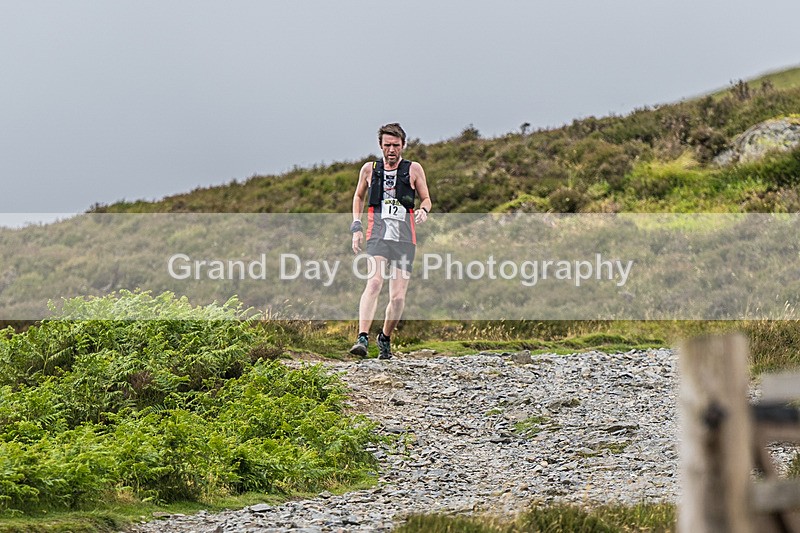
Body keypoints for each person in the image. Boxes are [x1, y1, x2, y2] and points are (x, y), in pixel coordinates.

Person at [349, 123, 431, 359]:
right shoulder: (369, 169)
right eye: (387, 145)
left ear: (403, 145)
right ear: (380, 146)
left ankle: (384, 337)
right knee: (374, 282)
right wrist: (356, 226)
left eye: (396, 145)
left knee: (397, 298)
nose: (391, 150)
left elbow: (426, 198)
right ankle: (362, 338)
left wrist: (424, 210)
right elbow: (358, 196)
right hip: (377, 234)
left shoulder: (413, 169)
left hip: (405, 238)